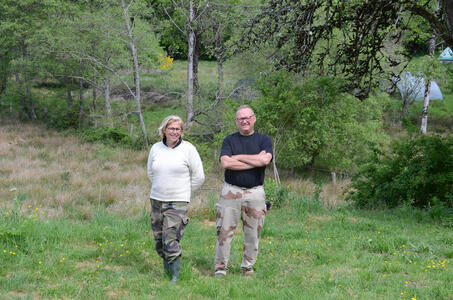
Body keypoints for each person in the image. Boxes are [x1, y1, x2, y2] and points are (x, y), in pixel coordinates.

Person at [214, 105, 273, 277]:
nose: (244, 121)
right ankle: (220, 268)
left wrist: (237, 157)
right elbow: (226, 163)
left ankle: (247, 267)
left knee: (253, 232)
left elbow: (265, 161)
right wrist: (255, 160)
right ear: (236, 122)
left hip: (255, 192)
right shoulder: (229, 140)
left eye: (247, 117)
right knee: (224, 231)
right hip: (230, 191)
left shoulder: (263, 140)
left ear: (254, 119)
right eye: (241, 119)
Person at [147, 115, 205, 282]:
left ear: (182, 131)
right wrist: (161, 187)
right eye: (171, 128)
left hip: (178, 201)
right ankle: (166, 272)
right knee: (159, 240)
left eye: (178, 129)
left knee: (170, 238)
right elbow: (151, 172)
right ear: (164, 130)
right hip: (157, 200)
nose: (174, 132)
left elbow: (199, 177)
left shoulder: (188, 149)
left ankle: (176, 276)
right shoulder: (156, 148)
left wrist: (185, 194)